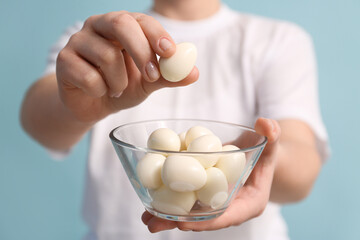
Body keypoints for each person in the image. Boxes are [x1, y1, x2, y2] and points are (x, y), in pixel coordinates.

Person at [20, 0, 329, 239]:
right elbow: (37, 121)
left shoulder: (277, 40)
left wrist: (248, 158)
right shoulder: (98, 41)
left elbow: (302, 167)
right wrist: (75, 107)